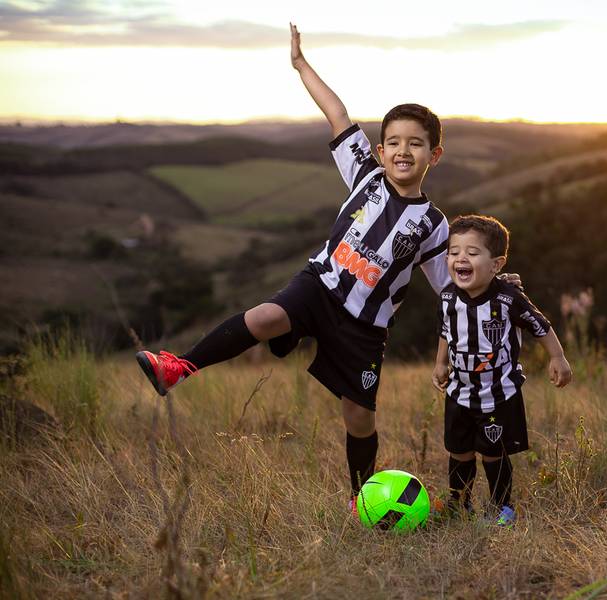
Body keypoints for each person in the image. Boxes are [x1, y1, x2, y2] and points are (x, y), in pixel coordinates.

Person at [135, 24, 520, 510]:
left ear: (434, 155)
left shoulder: (435, 225)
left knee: (358, 417)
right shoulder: (364, 173)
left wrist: (497, 283)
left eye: (416, 143)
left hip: (365, 326)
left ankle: (364, 499)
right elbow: (336, 112)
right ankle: (178, 366)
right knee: (265, 317)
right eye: (394, 141)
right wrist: (300, 64)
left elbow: (454, 283)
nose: (403, 150)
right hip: (318, 286)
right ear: (380, 151)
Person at [432, 215, 572, 526]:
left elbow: (540, 325)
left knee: (493, 452)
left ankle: (501, 508)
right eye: (454, 252)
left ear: (496, 264)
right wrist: (441, 362)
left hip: (497, 393)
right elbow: (446, 330)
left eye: (472, 252)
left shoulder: (508, 298)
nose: (460, 259)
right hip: (459, 391)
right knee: (459, 452)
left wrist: (558, 357)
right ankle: (460, 504)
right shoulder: (448, 297)